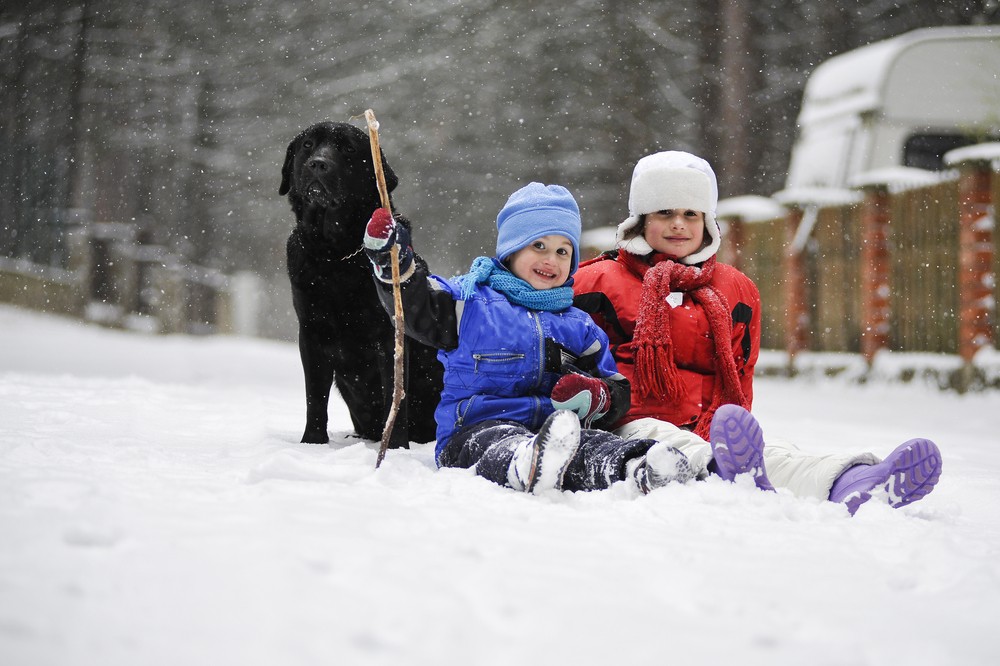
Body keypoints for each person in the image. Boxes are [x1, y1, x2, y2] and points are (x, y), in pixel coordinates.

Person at [572, 151, 943, 514]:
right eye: (665, 212)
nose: (679, 224)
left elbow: (740, 369)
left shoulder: (735, 289)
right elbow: (570, 360)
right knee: (675, 445)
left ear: (707, 222)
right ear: (640, 220)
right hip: (632, 425)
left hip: (708, 423)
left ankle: (855, 481)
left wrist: (730, 423)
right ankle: (724, 469)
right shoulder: (597, 282)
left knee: (775, 454)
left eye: (691, 214)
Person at [360, 182, 721, 495]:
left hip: (557, 433)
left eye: (563, 251)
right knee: (497, 442)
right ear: (511, 251)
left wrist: (599, 395)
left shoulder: (578, 325)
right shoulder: (469, 303)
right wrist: (394, 262)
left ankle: (641, 468)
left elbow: (617, 389)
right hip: (474, 431)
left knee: (594, 444)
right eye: (539, 246)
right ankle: (524, 462)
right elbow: (415, 306)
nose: (551, 259)